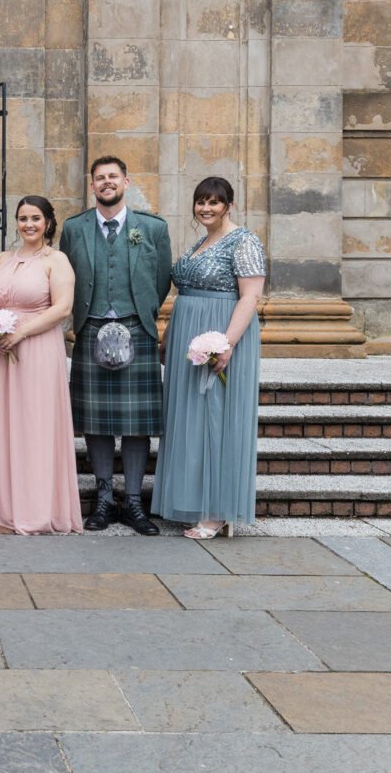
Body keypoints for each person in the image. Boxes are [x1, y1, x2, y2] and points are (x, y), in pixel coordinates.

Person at [58, 156, 173, 535]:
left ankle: (135, 503)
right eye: (99, 178)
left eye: (113, 177)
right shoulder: (74, 229)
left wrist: (139, 315)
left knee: (138, 425)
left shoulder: (152, 229)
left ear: (126, 181)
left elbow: (159, 282)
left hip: (136, 329)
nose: (106, 183)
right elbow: (67, 280)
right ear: (92, 185)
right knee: (97, 422)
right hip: (91, 329)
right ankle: (105, 498)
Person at [151, 176, 266, 539]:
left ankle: (218, 512)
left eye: (214, 202)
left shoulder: (244, 240)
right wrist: (169, 336)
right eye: (201, 201)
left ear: (229, 205)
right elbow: (185, 293)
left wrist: (227, 343)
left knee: (217, 419)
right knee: (192, 420)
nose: (205, 208)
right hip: (189, 335)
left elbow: (249, 297)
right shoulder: (202, 241)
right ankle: (197, 500)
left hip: (220, 334)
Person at [0, 196, 84, 534]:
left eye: (36, 218)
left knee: (36, 424)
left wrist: (21, 332)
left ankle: (39, 509)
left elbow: (63, 307)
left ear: (48, 223)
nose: (28, 224)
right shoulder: (1, 259)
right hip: (3, 351)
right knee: (8, 424)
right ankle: (7, 507)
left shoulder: (56, 261)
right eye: (23, 218)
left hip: (38, 347)